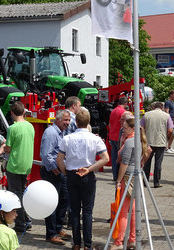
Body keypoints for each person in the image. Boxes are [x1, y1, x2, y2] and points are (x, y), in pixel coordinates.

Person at [57, 108, 109, 250]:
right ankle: (87, 244)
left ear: (76, 122)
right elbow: (105, 158)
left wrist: (66, 172)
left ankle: (76, 243)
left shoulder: (67, 138)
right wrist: (90, 168)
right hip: (87, 174)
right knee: (87, 211)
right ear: (88, 122)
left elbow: (59, 159)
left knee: (74, 210)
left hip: (72, 174)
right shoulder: (95, 139)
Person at [110, 118, 149, 250]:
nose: (123, 129)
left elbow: (124, 163)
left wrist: (118, 181)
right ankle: (132, 239)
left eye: (125, 127)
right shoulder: (139, 140)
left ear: (132, 129)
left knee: (122, 211)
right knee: (132, 211)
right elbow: (148, 151)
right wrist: (141, 162)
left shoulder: (130, 142)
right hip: (136, 177)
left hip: (127, 178)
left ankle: (119, 242)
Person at [40, 109, 71, 245]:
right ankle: (51, 233)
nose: (67, 123)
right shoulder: (51, 133)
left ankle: (58, 228)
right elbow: (46, 155)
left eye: (69, 120)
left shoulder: (62, 132)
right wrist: (55, 170)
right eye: (65, 120)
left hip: (61, 171)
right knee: (51, 203)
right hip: (52, 172)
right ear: (57, 120)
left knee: (64, 199)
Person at [4, 101, 35, 232]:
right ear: (24, 112)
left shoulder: (12, 128)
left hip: (15, 165)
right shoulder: (30, 126)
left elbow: (8, 148)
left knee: (16, 196)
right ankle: (26, 219)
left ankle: (21, 223)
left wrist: (4, 148)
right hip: (27, 164)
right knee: (23, 193)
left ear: (12, 113)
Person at [141, 102, 174, 188]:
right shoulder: (167, 116)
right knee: (158, 163)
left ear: (154, 107)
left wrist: (143, 138)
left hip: (148, 142)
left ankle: (145, 181)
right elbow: (170, 130)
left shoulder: (147, 115)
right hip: (161, 142)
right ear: (162, 108)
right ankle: (156, 182)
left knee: (147, 163)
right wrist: (167, 138)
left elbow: (141, 127)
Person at [109, 97, 128, 181]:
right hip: (119, 136)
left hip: (112, 135)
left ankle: (115, 175)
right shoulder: (123, 112)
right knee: (121, 157)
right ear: (125, 104)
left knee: (114, 157)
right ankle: (119, 177)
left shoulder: (113, 111)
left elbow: (110, 123)